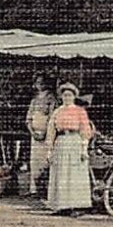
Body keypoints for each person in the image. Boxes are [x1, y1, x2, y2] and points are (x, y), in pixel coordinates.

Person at [44, 82, 94, 214]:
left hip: (75, 142)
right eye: (65, 95)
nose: (67, 98)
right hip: (61, 142)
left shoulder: (80, 111)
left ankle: (77, 206)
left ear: (74, 96)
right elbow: (51, 131)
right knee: (61, 173)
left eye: (69, 95)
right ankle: (61, 206)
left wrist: (84, 148)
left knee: (74, 174)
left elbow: (85, 130)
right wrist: (49, 150)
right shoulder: (57, 111)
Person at [25, 76, 59, 196]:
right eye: (38, 83)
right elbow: (29, 117)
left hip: (47, 134)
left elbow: (51, 117)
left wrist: (46, 132)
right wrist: (32, 131)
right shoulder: (34, 100)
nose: (39, 85)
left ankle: (45, 189)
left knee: (46, 160)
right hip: (35, 134)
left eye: (42, 82)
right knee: (35, 161)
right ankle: (34, 188)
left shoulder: (51, 99)